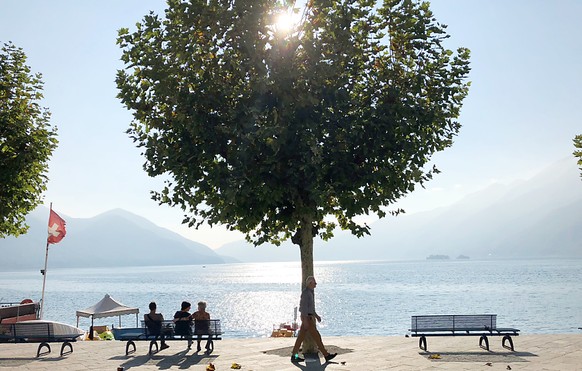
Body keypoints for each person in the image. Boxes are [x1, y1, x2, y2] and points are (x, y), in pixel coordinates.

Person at [291, 276, 337, 363]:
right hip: (307, 318)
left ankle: (294, 355)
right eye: (314, 283)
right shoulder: (306, 293)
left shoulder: (310, 292)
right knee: (317, 336)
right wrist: (305, 320)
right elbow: (303, 307)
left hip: (308, 317)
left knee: (300, 338)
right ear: (310, 283)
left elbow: (311, 308)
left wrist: (316, 316)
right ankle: (326, 355)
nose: (316, 284)